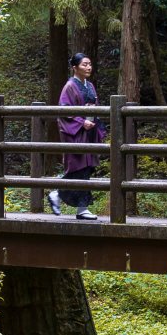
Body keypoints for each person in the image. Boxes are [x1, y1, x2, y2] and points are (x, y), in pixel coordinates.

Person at [48, 53, 106, 220]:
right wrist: (81, 122)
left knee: (87, 168)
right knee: (77, 166)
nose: (88, 67)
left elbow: (95, 106)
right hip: (75, 132)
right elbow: (64, 110)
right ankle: (59, 195)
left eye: (90, 64)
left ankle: (76, 205)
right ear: (75, 67)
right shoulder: (69, 86)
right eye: (84, 64)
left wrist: (93, 121)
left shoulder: (90, 86)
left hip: (89, 131)